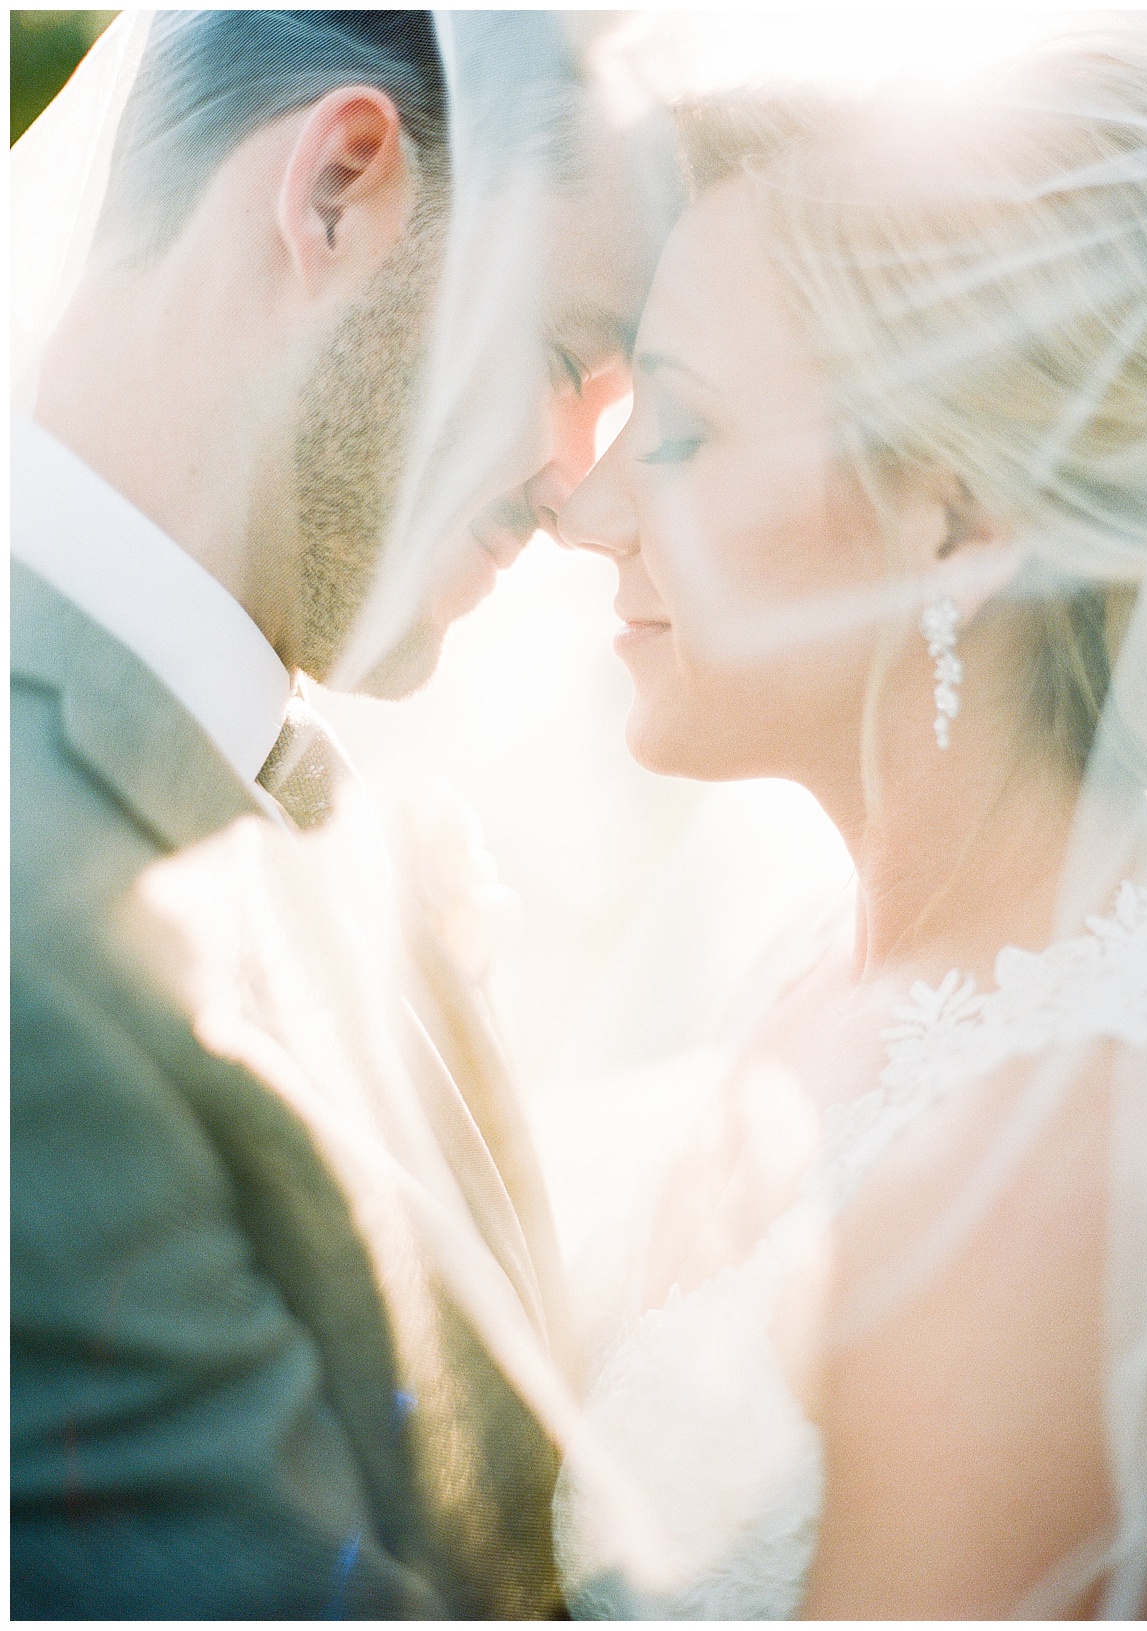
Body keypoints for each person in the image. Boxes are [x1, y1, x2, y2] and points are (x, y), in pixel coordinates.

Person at [11, 10, 660, 1618]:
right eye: (573, 359)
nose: (582, 488)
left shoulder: (327, 817)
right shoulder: (31, 930)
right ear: (340, 188)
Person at [552, 29, 1147, 1619]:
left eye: (683, 432)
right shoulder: (808, 959)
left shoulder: (1049, 1183)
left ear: (955, 522)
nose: (583, 506)